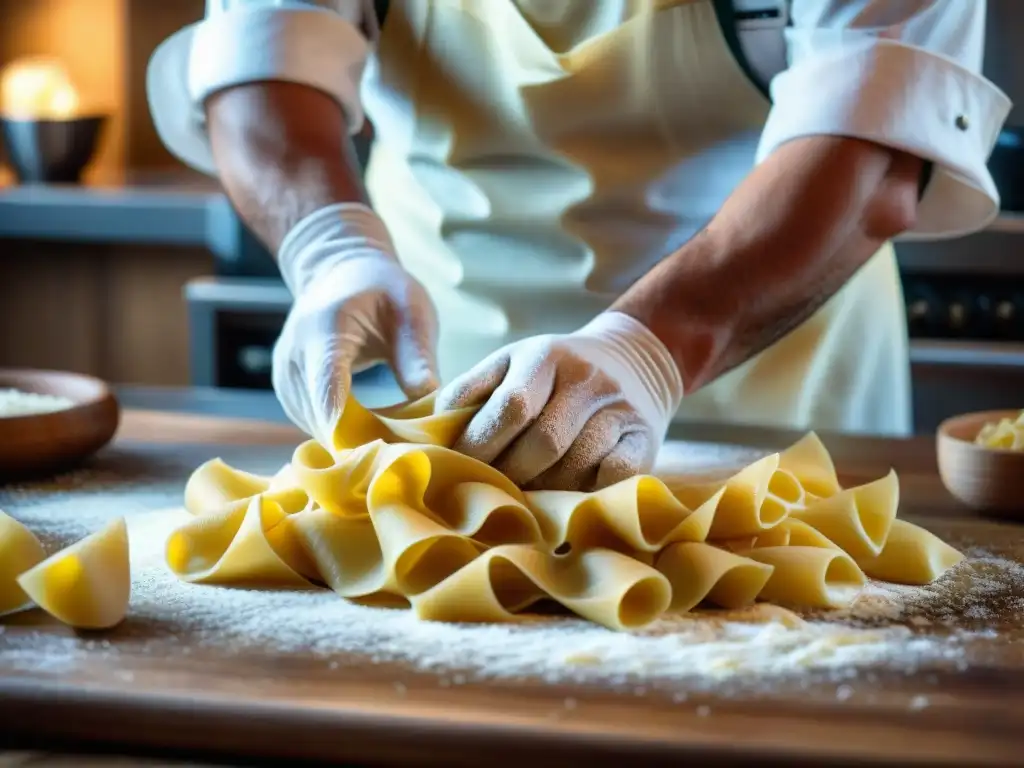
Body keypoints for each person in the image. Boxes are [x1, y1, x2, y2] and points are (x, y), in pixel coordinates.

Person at [148, 0, 1010, 492]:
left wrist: (646, 352)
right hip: (444, 386)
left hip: (774, 399)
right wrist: (329, 245)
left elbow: (872, 140)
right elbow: (263, 59)